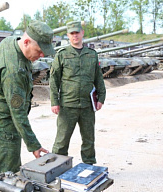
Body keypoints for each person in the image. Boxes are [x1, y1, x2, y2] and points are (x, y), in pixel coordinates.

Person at [0, 21, 55, 177]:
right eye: (39, 51)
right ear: (27, 42)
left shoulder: (10, 42)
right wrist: (33, 145)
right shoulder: (14, 73)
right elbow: (18, 113)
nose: (41, 55)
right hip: (3, 131)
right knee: (7, 178)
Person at [49, 21, 106, 165]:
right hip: (68, 104)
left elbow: (98, 77)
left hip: (87, 105)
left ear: (82, 33)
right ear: (68, 35)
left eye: (77, 32)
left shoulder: (92, 55)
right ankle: (57, 166)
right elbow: (54, 79)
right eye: (72, 33)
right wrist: (54, 102)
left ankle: (89, 166)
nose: (75, 36)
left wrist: (101, 98)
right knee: (62, 140)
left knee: (88, 139)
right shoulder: (62, 54)